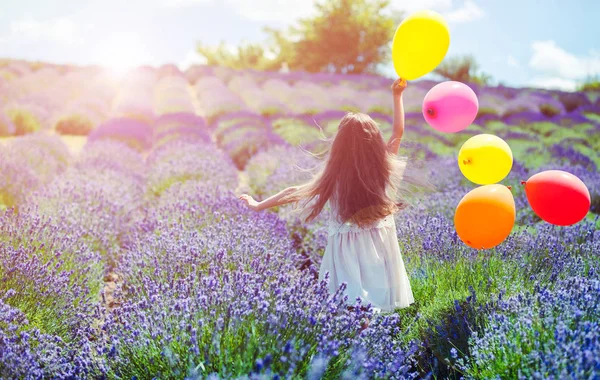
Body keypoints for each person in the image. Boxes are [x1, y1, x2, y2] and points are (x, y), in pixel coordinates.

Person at [239, 78, 415, 319]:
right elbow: (397, 133)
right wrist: (397, 96)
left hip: (346, 252)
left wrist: (259, 205)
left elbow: (294, 191)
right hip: (379, 248)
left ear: (340, 145)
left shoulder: (335, 177)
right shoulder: (384, 170)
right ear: (375, 142)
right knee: (374, 306)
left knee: (352, 308)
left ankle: (358, 343)